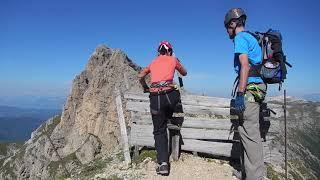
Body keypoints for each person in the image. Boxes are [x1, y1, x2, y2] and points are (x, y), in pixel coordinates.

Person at [224, 8, 267, 180]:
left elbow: (245, 66)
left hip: (249, 90)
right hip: (256, 87)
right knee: (244, 132)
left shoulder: (240, 38)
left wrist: (240, 93)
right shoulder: (251, 37)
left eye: (227, 27)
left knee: (250, 135)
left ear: (233, 24)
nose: (227, 31)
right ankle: (246, 172)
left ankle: (254, 177)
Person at [138, 40, 187, 176]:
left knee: (159, 131)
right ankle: (172, 118)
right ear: (169, 51)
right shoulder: (173, 59)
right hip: (170, 96)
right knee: (174, 96)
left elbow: (140, 75)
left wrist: (145, 87)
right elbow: (184, 73)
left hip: (156, 98)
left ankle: (163, 163)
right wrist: (177, 61)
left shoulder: (153, 62)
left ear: (158, 52)